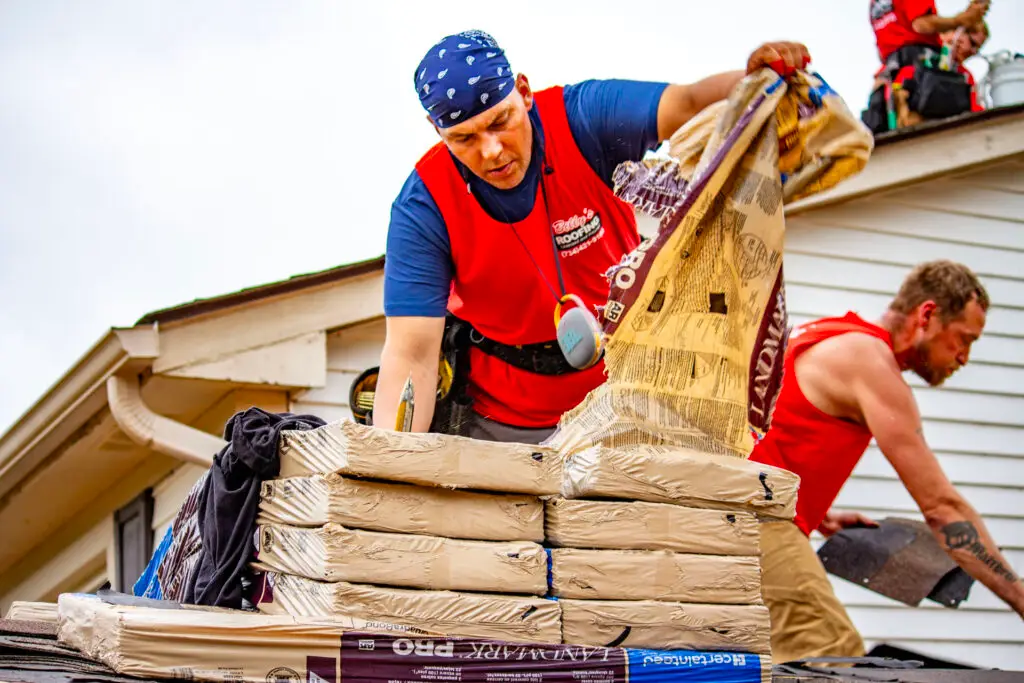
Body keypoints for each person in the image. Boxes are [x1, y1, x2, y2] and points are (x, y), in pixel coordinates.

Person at [372, 29, 812, 443]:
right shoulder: (423, 206)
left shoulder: (582, 119)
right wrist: (390, 461)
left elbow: (689, 100)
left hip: (624, 398)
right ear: (438, 132)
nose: (490, 150)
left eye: (500, 121)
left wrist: (760, 80)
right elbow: (411, 355)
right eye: (463, 138)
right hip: (502, 419)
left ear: (524, 93)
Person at [749, 260, 1024, 663]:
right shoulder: (871, 363)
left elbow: (773, 433)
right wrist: (1019, 597)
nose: (964, 357)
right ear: (927, 315)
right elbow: (942, 508)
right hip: (754, 521)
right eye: (964, 339)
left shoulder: (830, 334)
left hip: (743, 511)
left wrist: (822, 515)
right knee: (831, 655)